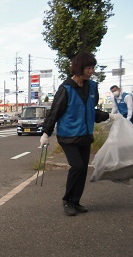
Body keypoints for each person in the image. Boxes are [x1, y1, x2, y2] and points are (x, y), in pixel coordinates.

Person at [40, 52, 109, 216]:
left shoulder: (92, 86)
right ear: (79, 68)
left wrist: (105, 115)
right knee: (77, 166)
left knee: (83, 169)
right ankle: (67, 200)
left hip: (85, 135)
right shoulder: (66, 88)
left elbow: (90, 110)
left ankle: (76, 201)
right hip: (68, 136)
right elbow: (55, 111)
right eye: (88, 68)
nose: (91, 71)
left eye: (93, 68)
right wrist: (45, 132)